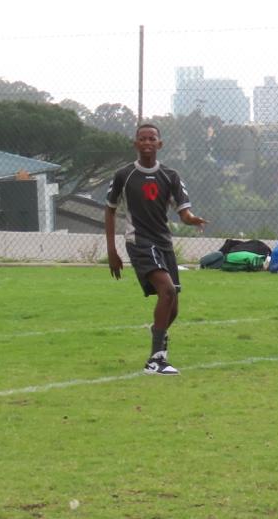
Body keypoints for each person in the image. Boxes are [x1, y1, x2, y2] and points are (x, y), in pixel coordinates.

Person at [104, 123, 207, 376]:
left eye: (152, 138)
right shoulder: (124, 175)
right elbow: (110, 210)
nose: (147, 142)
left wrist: (191, 219)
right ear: (135, 144)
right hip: (139, 241)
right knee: (167, 290)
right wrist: (112, 251)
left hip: (163, 243)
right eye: (142, 138)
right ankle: (155, 360)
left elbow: (183, 211)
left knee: (173, 308)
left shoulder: (170, 176)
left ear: (160, 144)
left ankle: (157, 335)